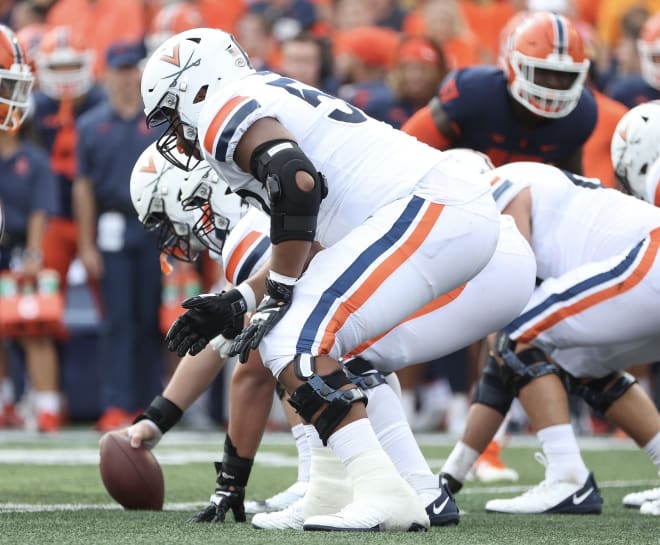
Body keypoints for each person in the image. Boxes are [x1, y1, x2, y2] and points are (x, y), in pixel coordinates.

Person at [139, 27, 516, 532]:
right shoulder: (260, 97)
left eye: (171, 114)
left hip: (433, 210)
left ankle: (389, 495)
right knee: (293, 333)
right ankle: (334, 488)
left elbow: (297, 183)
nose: (177, 136)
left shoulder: (222, 109)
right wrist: (240, 301)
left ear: (195, 86)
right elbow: (311, 237)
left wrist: (274, 294)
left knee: (294, 337)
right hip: (437, 211)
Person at [441, 101, 660, 516]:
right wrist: (451, 477)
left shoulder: (498, 186)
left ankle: (567, 479)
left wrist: (451, 475)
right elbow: (505, 368)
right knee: (580, 363)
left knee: (517, 334)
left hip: (651, 261)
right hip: (644, 268)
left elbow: (510, 322)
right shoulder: (547, 193)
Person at [72, 40, 163, 432]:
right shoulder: (92, 124)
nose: (127, 79)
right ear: (107, 74)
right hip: (112, 223)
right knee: (117, 319)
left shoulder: (159, 122)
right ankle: (116, 401)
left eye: (133, 71)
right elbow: (82, 187)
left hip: (156, 225)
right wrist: (86, 242)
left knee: (149, 317)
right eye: (121, 71)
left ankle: (147, 400)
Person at [402, 11, 597, 173]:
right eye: (542, 72)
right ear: (513, 65)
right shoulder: (473, 92)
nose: (553, 85)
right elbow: (405, 151)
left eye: (565, 76)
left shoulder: (581, 114)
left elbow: (570, 193)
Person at [0, 23, 61, 432]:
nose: (14, 96)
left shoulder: (33, 158)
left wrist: (35, 253)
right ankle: (5, 399)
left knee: (31, 328)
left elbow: (40, 211)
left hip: (19, 248)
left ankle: (47, 404)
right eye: (7, 84)